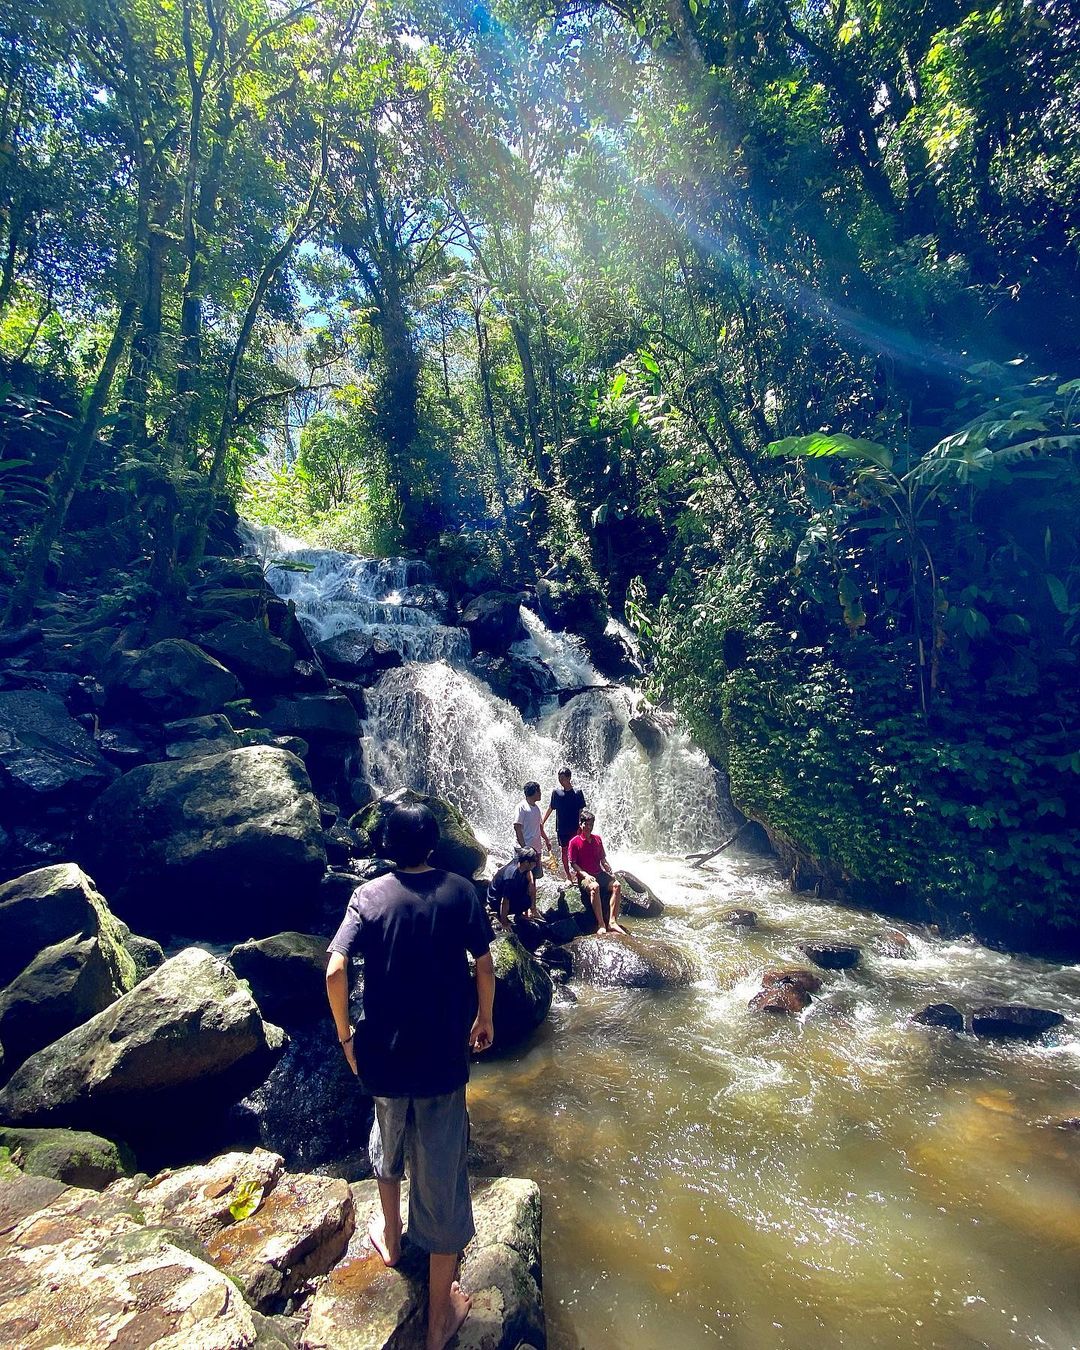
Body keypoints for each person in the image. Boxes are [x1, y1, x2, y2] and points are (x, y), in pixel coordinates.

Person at [325, 802, 495, 1350]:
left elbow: (334, 968)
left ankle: (393, 1241)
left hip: (385, 1057)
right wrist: (484, 1017)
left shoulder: (367, 896)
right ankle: (439, 1315)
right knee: (442, 1173)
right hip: (443, 1057)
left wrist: (346, 1035)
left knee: (387, 1139)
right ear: (434, 844)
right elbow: (485, 963)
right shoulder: (461, 891)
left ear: (386, 845)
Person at [567, 809, 626, 935]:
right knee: (595, 887)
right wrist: (585, 875)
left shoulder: (597, 839)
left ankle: (612, 921)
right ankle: (601, 924)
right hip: (584, 877)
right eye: (586, 824)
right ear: (580, 824)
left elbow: (602, 859)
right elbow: (573, 863)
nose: (588, 827)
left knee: (617, 885)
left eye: (591, 825)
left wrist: (607, 866)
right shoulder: (574, 842)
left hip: (599, 873)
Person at [541, 767, 586, 880]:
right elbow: (551, 808)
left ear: (569, 778)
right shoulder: (556, 793)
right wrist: (542, 821)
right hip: (562, 828)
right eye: (559, 778)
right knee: (564, 851)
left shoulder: (578, 793)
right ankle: (568, 876)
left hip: (575, 828)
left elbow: (581, 811)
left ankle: (579, 874)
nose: (561, 780)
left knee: (578, 851)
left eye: (563, 778)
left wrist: (581, 826)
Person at [486, 847, 540, 931]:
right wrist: (504, 923)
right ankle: (498, 914)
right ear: (526, 862)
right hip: (495, 899)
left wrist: (532, 908)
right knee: (525, 902)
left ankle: (520, 914)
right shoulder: (511, 878)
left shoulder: (521, 864)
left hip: (509, 892)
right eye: (534, 862)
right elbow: (504, 901)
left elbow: (530, 878)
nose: (536, 865)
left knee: (528, 900)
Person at [513, 782, 550, 878]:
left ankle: (532, 892)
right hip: (525, 850)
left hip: (536, 849)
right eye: (539, 791)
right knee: (522, 876)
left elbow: (540, 827)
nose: (541, 793)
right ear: (534, 792)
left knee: (535, 875)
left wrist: (546, 839)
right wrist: (524, 847)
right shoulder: (521, 807)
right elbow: (517, 827)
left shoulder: (537, 808)